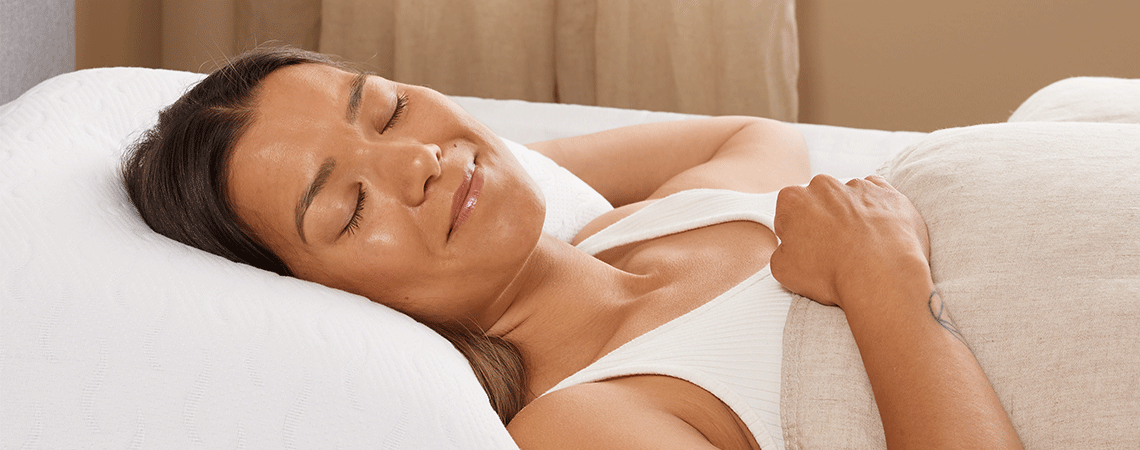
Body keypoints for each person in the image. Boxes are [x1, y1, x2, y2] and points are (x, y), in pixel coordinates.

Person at [123, 47, 1022, 449]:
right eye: (349, 208)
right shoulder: (581, 424)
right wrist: (886, 283)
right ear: (325, 301)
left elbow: (752, 131)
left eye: (389, 107)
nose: (417, 161)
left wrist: (495, 169)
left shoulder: (645, 226)